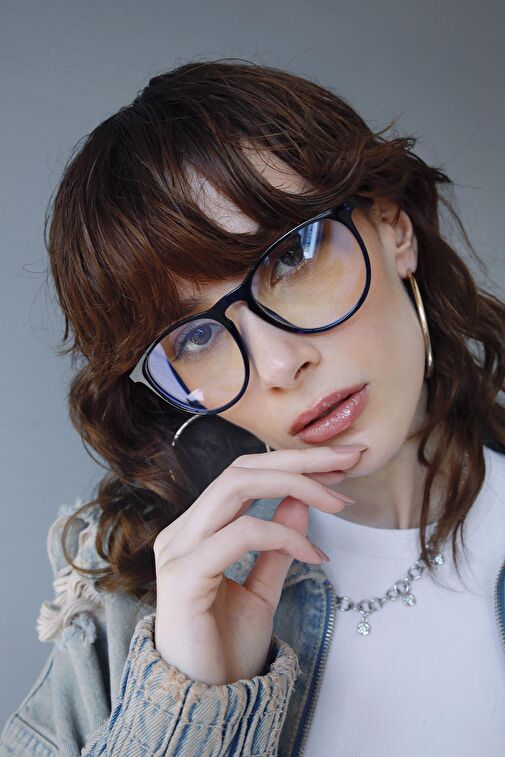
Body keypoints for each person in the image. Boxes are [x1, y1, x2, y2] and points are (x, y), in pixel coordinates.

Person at [1, 59, 504, 757]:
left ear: (394, 228)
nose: (277, 365)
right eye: (196, 336)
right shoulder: (134, 600)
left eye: (291, 259)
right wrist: (190, 711)